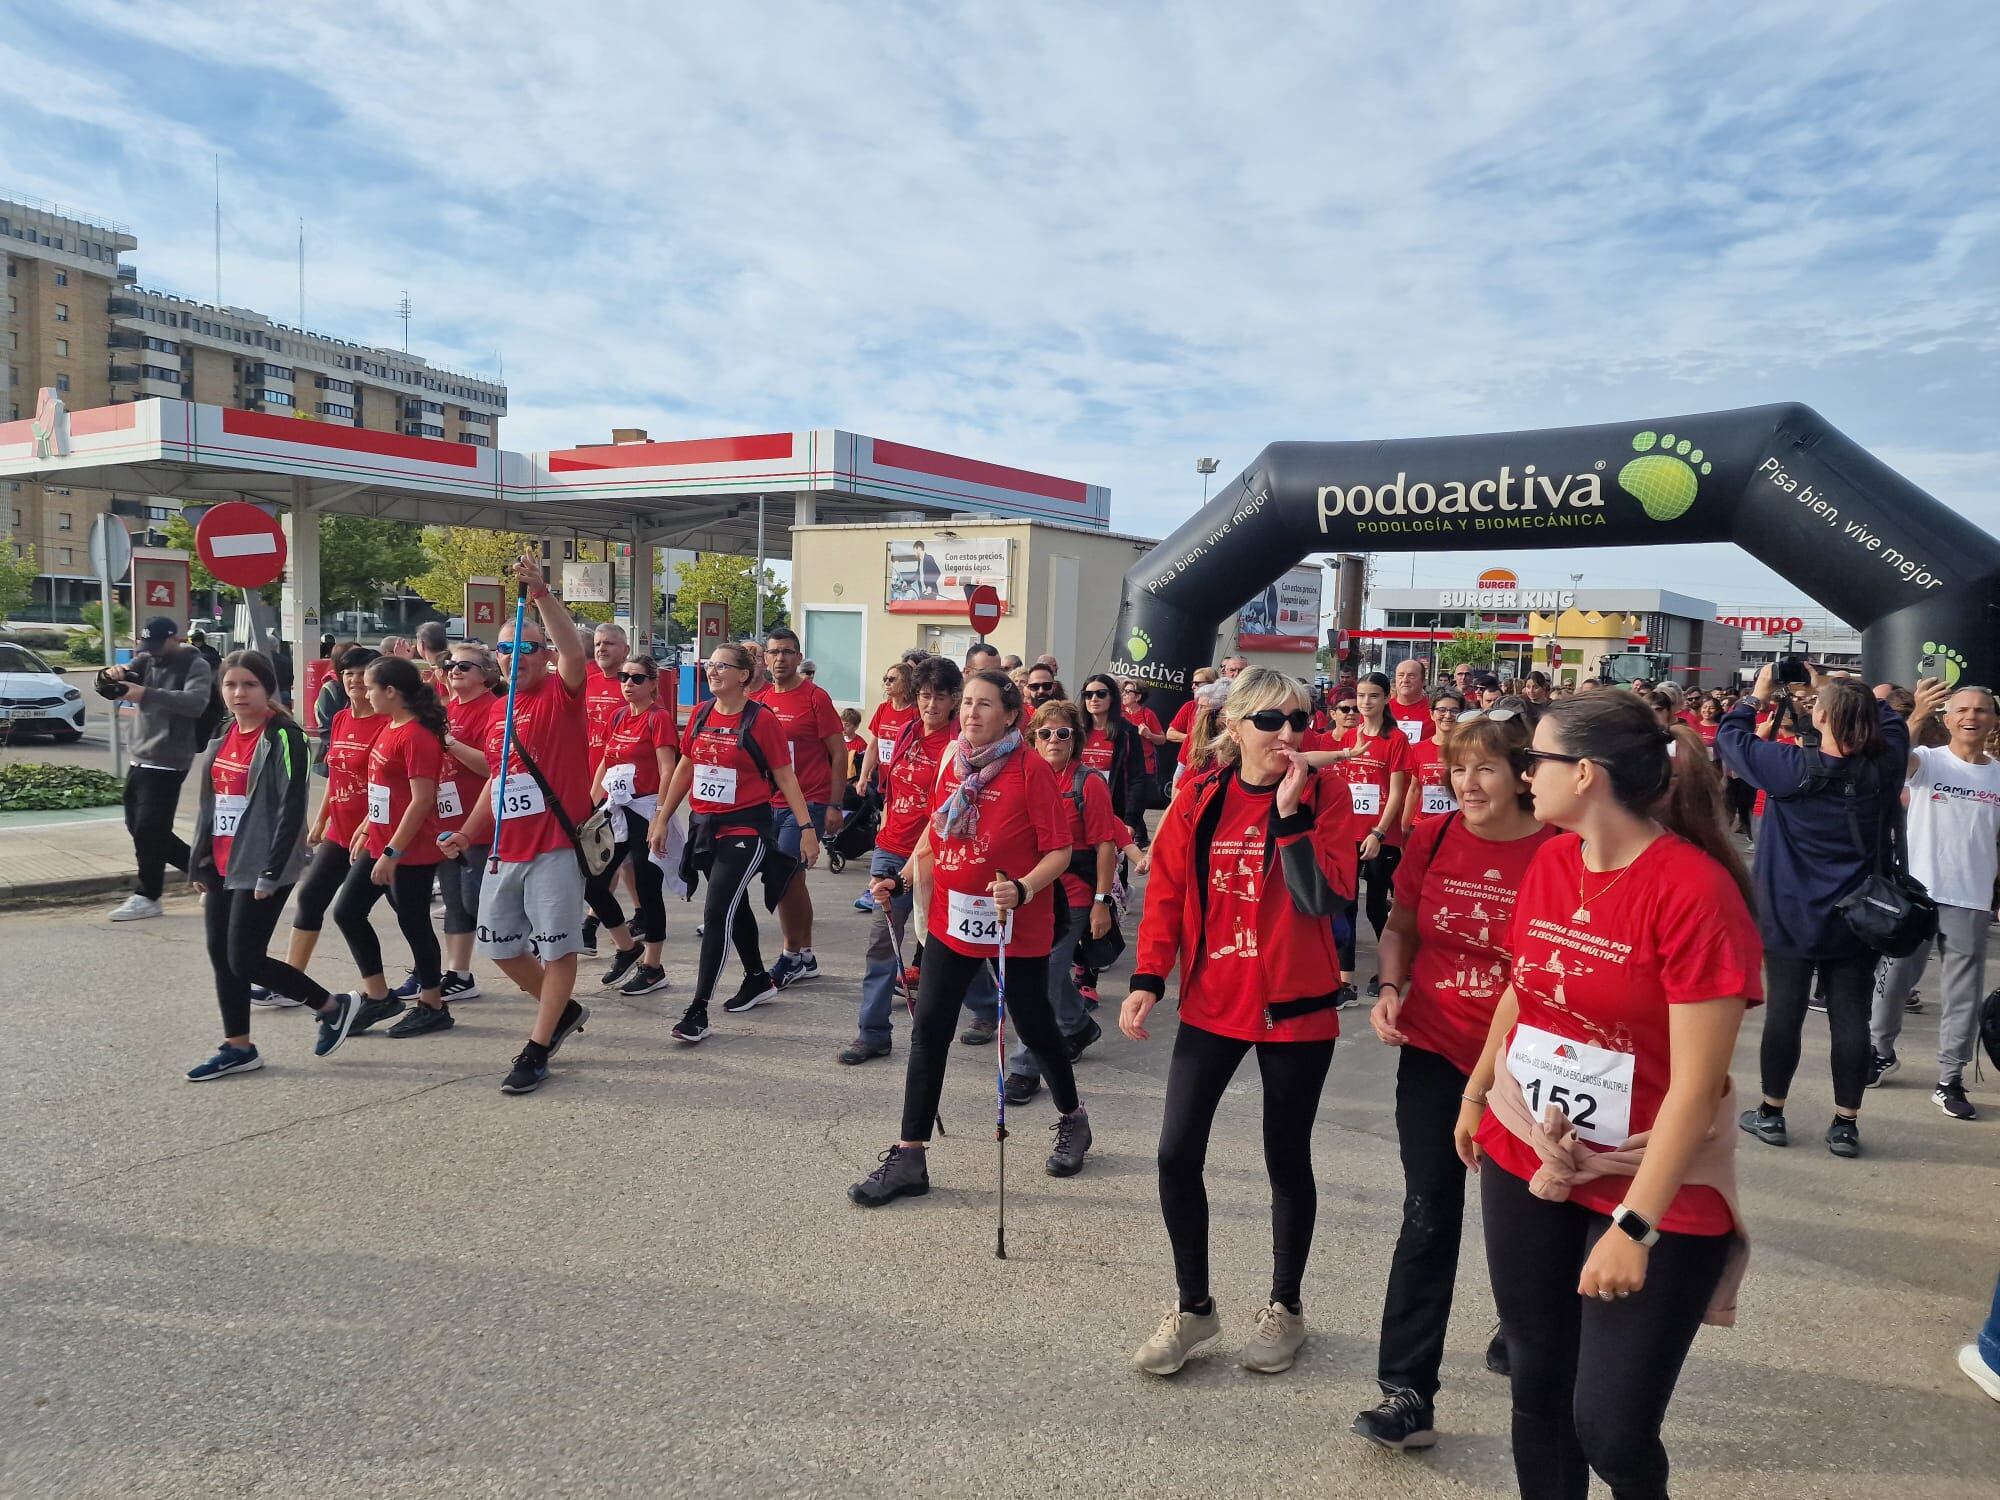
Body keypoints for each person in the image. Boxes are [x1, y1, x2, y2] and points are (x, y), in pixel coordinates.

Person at [1454, 690, 1761, 1500]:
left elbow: (1698, 1084)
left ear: (1584, 774)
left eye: (1535, 761)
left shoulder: (1694, 893)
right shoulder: (1553, 861)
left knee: (1612, 1427)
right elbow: (1526, 990)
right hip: (1532, 1149)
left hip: (1652, 1178)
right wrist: (1481, 1089)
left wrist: (1634, 1225)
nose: (1524, 776)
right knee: (1537, 1388)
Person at [1120, 669, 1355, 1376]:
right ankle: (1195, 1308)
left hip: (1295, 1007)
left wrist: (1290, 817)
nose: (1288, 735)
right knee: (1174, 1152)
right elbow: (1165, 891)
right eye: (1271, 722)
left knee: (1286, 1158)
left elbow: (1326, 898)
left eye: (1299, 721)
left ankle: (1285, 1306)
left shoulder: (1327, 794)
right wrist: (1146, 979)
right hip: (1214, 1000)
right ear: (1235, 726)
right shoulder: (1200, 795)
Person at [1354, 709, 1555, 1449]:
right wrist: (1390, 987)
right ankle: (1407, 1391)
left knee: (1532, 1222)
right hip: (1436, 1050)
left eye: (1485, 769)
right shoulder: (1436, 835)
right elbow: (1402, 922)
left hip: (1526, 1067)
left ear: (1524, 775)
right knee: (1428, 1211)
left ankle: (1528, 1332)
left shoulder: (1560, 852)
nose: (1466, 783)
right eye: (1458, 768)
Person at [848, 669, 1092, 1206]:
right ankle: (910, 1153)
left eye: (985, 705)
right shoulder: (952, 762)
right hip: (954, 920)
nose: (971, 714)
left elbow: (1060, 853)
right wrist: (901, 879)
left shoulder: (1030, 770)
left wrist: (1024, 889)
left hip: (1014, 923)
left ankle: (1073, 1117)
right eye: (969, 704)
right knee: (930, 1030)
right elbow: (934, 836)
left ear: (1010, 715)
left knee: (1035, 1026)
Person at [1719, 664, 1906, 1157]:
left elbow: (1731, 737)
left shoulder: (1788, 766)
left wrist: (1756, 695)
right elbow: (1890, 722)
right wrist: (1841, 685)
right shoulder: (1882, 767)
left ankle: (1772, 1112)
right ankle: (1846, 1124)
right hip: (1859, 913)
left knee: (1786, 1012)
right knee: (1850, 1017)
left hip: (1788, 911)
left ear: (1819, 717)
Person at [437, 555, 596, 1096]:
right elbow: (497, 782)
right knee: (501, 945)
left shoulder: (561, 693)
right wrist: (467, 830)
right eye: (505, 649)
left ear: (544, 654)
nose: (515, 656)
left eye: (527, 647)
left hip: (555, 844)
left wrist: (543, 594)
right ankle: (562, 1010)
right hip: (506, 847)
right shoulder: (500, 711)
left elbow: (575, 651)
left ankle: (537, 1046)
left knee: (557, 948)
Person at [183, 650, 366, 1079]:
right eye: (230, 685)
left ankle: (332, 1006)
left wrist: (272, 869)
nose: (238, 693)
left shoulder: (284, 735)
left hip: (265, 864)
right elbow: (213, 802)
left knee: (244, 959)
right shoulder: (226, 730)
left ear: (268, 688)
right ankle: (238, 1046)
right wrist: (201, 860)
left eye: (249, 685)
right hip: (224, 863)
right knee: (220, 955)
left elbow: (291, 807)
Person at [649, 641, 818, 1044]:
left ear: (744, 675)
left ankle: (698, 1009)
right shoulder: (702, 713)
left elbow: (785, 776)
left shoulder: (762, 720)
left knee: (717, 911)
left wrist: (807, 827)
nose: (713, 671)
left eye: (723, 666)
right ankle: (758, 978)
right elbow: (687, 766)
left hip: (746, 828)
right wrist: (662, 816)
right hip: (705, 824)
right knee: (734, 906)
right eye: (710, 664)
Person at [1868, 682, 1999, 1119]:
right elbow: (1891, 761)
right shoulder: (1927, 761)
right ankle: (1880, 1050)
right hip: (1917, 896)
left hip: (1972, 898)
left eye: (1981, 710)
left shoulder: (1998, 775)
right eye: (1962, 709)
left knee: (1963, 994)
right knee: (1894, 983)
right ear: (1947, 719)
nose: (1972, 717)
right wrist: (1916, 714)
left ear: (1993, 721)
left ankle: (1950, 1078)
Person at [1002, 698, 1140, 1101]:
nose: (1053, 740)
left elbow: (1103, 845)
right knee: (1046, 972)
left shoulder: (1088, 783)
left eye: (1063, 733)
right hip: (1033, 893)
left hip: (1076, 896)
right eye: (1045, 734)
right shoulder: (1024, 776)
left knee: (1039, 979)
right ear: (1033, 738)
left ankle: (1025, 1068)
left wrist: (1101, 901)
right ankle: (1077, 1024)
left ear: (1075, 738)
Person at [843, 656, 966, 1065]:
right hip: (891, 846)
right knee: (884, 941)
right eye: (925, 696)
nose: (931, 705)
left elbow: (949, 811)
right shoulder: (909, 729)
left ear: (954, 700)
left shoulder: (959, 746)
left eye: (940, 697)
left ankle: (985, 1008)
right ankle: (873, 1032)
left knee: (945, 940)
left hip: (934, 855)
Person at [328, 656, 452, 1037]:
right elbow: (384, 789)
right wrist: (368, 826)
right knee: (347, 912)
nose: (364, 692)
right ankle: (379, 995)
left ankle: (433, 1004)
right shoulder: (391, 726)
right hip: (381, 841)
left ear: (391, 692)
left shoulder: (416, 736)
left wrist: (393, 853)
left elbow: (421, 800)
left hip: (409, 849)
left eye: (370, 686)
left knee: (413, 923)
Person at [260, 645, 385, 1004]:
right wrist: (321, 818)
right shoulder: (343, 718)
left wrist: (366, 824)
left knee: (395, 911)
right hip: (340, 831)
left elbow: (387, 784)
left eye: (362, 674)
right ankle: (290, 981)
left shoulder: (386, 723)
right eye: (348, 674)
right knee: (311, 897)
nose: (355, 680)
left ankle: (426, 985)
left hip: (375, 832)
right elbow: (335, 772)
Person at [105, 616, 216, 921]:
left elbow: (196, 703)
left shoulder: (195, 664)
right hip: (139, 756)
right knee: (141, 829)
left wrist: (145, 694)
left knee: (149, 830)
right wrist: (111, 674)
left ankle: (148, 895)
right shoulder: (145, 659)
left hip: (169, 759)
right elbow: (106, 687)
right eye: (146, 644)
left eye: (157, 644)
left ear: (174, 639)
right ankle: (209, 877)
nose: (151, 650)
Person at [582, 653, 680, 998]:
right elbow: (606, 765)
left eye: (637, 678)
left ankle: (653, 966)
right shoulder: (619, 716)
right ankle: (627, 948)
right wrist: (590, 807)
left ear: (653, 684)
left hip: (645, 808)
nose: (628, 683)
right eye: (624, 676)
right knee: (593, 881)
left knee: (647, 886)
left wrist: (660, 816)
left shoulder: (658, 719)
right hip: (616, 808)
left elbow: (668, 768)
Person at [754, 627, 846, 988]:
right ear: (765, 658)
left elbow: (839, 754)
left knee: (787, 874)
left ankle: (792, 954)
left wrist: (836, 804)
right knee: (790, 879)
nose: (780, 659)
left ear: (798, 657)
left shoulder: (814, 698)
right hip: (769, 803)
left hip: (808, 801)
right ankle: (805, 955)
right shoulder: (761, 700)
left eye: (787, 653)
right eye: (774, 652)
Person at [1318, 670, 1411, 1002]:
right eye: (1360, 696)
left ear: (1386, 699)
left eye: (1373, 696)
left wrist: (1379, 831)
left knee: (1375, 907)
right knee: (1344, 905)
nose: (1365, 702)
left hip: (1380, 836)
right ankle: (1345, 984)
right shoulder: (1349, 738)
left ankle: (1392, 970)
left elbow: (1398, 793)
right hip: (1348, 834)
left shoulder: (1395, 740)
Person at [424, 642, 502, 1003]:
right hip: (445, 817)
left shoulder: (493, 710)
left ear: (485, 675)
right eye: (451, 664)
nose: (454, 670)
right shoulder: (445, 709)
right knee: (454, 900)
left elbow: (491, 767)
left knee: (476, 902)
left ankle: (532, 955)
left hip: (478, 821)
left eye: (465, 667)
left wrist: (449, 742)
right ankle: (459, 972)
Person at [1077, 671, 1145, 831]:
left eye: (1101, 694)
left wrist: (1130, 820)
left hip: (1113, 810)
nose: (1094, 699)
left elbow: (1137, 779)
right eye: (1088, 694)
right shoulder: (1075, 732)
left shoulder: (1127, 732)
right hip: (1077, 809)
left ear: (1112, 697)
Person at [1400, 689, 1466, 831]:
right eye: (1442, 710)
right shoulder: (1419, 749)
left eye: (1454, 711)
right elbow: (1414, 789)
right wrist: (1405, 827)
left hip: (1458, 825)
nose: (1448, 715)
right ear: (1431, 714)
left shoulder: (1469, 749)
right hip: (1422, 826)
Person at [1121, 679, 1168, 847]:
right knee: (1127, 801)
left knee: (1137, 800)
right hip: (1124, 764)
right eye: (1123, 691)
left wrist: (1149, 735)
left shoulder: (1147, 714)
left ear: (1138, 696)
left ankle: (1139, 836)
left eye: (1128, 692)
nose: (1124, 694)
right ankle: (1139, 834)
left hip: (1145, 766)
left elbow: (1162, 739)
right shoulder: (1120, 712)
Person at [1388, 658, 1432, 742]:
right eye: (1401, 675)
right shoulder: (1382, 709)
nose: (1405, 680)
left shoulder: (1435, 710)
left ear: (1423, 681)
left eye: (1411, 676)